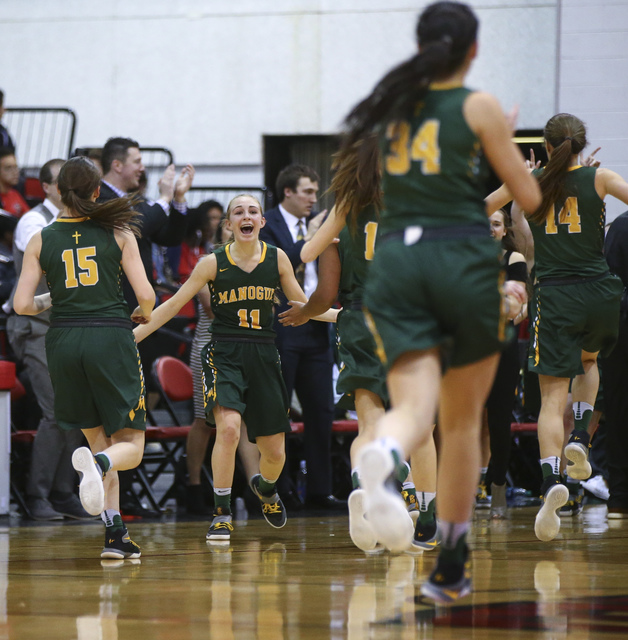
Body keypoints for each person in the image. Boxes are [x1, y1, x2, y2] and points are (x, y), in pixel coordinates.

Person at [340, 0, 540, 602]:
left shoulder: (393, 111)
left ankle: (383, 454)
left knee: (412, 402)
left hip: (397, 263)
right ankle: (450, 562)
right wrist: (498, 135)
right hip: (459, 259)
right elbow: (527, 195)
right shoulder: (476, 106)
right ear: (473, 50)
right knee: (457, 423)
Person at [134, 194, 337, 542]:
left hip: (264, 354)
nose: (246, 216)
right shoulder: (212, 262)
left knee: (275, 451)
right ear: (229, 225)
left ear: (261, 222)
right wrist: (133, 336)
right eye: (238, 212)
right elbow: (173, 305)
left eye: (253, 211)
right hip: (223, 352)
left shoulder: (278, 260)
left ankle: (266, 487)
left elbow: (305, 305)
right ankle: (222, 512)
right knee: (228, 428)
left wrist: (347, 317)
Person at [280, 139, 438, 553]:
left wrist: (306, 309)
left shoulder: (345, 209)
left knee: (369, 422)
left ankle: (361, 491)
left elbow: (316, 269)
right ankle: (426, 519)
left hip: (357, 319)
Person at [487, 113, 628, 542]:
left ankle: (552, 480)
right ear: (582, 145)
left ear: (546, 146)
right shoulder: (599, 176)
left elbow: (480, 211)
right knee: (590, 362)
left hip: (557, 293)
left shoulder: (526, 184)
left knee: (551, 395)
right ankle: (582, 438)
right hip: (601, 290)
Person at [13, 156, 155, 558]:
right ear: (97, 191)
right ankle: (100, 467)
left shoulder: (41, 237)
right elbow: (146, 296)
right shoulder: (118, 231)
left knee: (100, 442)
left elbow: (22, 305)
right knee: (129, 446)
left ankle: (115, 537)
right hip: (108, 337)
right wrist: (142, 311)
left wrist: (53, 297)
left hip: (62, 341)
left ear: (59, 191)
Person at [98, 137, 194, 516]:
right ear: (116, 164)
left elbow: (167, 234)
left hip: (139, 313)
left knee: (133, 407)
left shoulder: (131, 200)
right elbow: (138, 229)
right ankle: (120, 495)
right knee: (121, 411)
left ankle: (128, 491)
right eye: (136, 161)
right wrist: (163, 199)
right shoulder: (103, 198)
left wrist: (178, 201)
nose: (142, 167)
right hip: (119, 313)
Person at [4, 158, 95, 521]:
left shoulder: (78, 225)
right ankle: (37, 494)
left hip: (67, 326)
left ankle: (62, 492)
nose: (67, 188)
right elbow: (49, 261)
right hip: (35, 326)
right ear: (45, 187)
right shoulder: (34, 222)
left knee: (78, 411)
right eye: (62, 182)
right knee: (57, 410)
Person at [260, 164, 345, 511]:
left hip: (318, 325)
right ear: (288, 193)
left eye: (315, 191)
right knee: (278, 411)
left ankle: (320, 491)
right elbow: (272, 266)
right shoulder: (265, 223)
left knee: (321, 410)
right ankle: (278, 490)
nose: (314, 198)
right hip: (283, 324)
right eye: (308, 191)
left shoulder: (320, 226)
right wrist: (310, 239)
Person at [476, 209, 528, 518]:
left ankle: (497, 488)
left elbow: (515, 310)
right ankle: (469, 489)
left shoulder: (514, 258)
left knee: (498, 420)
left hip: (502, 345)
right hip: (468, 343)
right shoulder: (465, 256)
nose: (490, 229)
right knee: (465, 421)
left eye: (496, 224)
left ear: (504, 228)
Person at [601, 211, 628, 518]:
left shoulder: (619, 225)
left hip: (617, 327)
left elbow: (608, 280)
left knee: (618, 412)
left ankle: (619, 496)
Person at [0, 148, 28, 217]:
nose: (15, 172)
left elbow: (29, 217)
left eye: (16, 167)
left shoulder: (15, 194)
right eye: (8, 168)